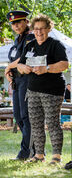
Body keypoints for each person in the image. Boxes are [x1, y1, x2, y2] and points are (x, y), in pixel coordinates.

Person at [17, 14, 69, 164]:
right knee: (36, 123)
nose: (39, 32)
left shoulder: (55, 45)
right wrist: (23, 68)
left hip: (52, 91)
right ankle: (39, 155)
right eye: (36, 29)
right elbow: (19, 65)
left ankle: (56, 156)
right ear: (33, 30)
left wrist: (46, 68)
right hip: (33, 90)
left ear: (49, 29)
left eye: (42, 29)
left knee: (53, 123)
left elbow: (64, 65)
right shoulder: (30, 45)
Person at [4, 10, 36, 161]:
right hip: (17, 81)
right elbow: (14, 59)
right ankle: (34, 149)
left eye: (18, 22)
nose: (16, 26)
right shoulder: (17, 40)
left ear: (26, 22)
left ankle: (26, 152)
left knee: (26, 116)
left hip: (28, 80)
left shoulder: (30, 37)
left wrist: (9, 66)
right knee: (18, 116)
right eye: (13, 24)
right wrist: (10, 72)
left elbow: (24, 58)